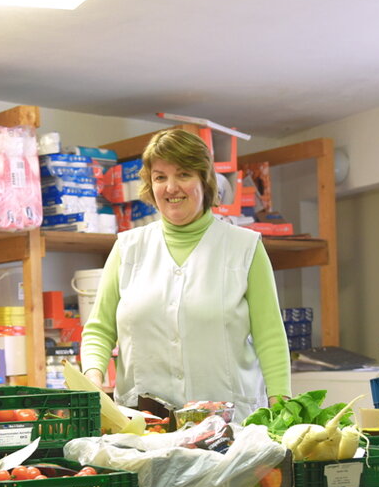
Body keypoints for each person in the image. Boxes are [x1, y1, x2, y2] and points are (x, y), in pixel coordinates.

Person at [80, 128, 290, 418]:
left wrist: (282, 409)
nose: (171, 187)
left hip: (230, 425)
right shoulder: (128, 248)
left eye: (183, 174)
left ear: (204, 179)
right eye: (160, 177)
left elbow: (270, 337)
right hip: (145, 424)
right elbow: (99, 329)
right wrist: (92, 379)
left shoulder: (245, 248)